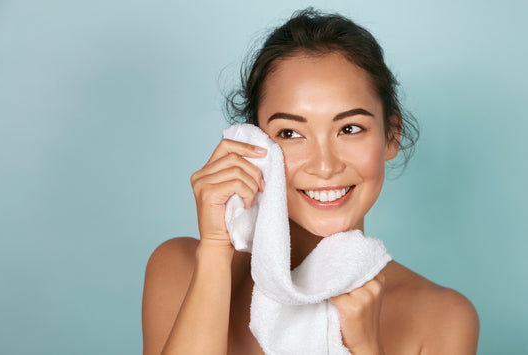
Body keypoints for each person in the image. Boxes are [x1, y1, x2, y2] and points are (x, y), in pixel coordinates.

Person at [142, 8, 479, 355]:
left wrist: (366, 348)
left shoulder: (442, 317)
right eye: (290, 133)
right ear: (255, 144)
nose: (324, 166)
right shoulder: (181, 269)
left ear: (391, 136)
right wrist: (214, 252)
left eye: (349, 129)